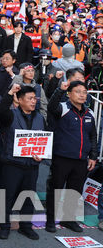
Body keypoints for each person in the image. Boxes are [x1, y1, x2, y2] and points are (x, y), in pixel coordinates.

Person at [45, 80, 97, 233]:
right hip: (62, 157)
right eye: (78, 91)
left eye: (84, 92)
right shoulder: (63, 108)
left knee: (74, 191)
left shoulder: (90, 113)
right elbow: (51, 107)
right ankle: (50, 220)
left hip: (81, 160)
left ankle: (68, 219)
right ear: (69, 93)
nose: (82, 95)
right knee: (56, 189)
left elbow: (92, 136)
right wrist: (59, 90)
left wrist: (93, 156)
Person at [0, 84, 44, 240]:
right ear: (20, 100)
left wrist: (42, 155)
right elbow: (1, 111)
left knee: (28, 198)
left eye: (35, 98)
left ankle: (26, 227)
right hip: (11, 164)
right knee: (7, 197)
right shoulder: (10, 115)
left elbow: (45, 140)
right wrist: (9, 93)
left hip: (31, 166)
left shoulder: (40, 117)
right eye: (29, 98)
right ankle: (4, 227)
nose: (33, 101)